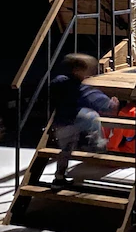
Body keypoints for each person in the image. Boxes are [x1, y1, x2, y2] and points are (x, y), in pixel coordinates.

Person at [49, 53, 119, 188]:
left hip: (60, 123)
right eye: (87, 71)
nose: (88, 75)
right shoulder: (79, 87)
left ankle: (59, 178)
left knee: (65, 151)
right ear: (77, 71)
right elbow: (94, 98)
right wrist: (111, 104)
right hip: (73, 121)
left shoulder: (58, 82)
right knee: (91, 116)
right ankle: (95, 143)